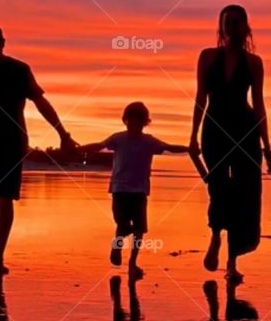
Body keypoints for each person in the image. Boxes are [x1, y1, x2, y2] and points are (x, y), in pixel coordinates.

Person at [0, 23, 76, 272]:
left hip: (8, 143)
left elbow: (41, 102)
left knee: (2, 199)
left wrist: (63, 132)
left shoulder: (18, 69)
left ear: (1, 44)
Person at [188, 5, 271, 285]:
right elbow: (200, 97)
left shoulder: (254, 63)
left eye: (238, 23)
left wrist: (267, 145)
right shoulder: (208, 57)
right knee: (218, 186)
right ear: (221, 28)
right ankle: (215, 235)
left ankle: (232, 262)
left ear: (246, 27)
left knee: (244, 195)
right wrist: (192, 136)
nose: (233, 27)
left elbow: (259, 105)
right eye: (228, 23)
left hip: (245, 131)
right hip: (214, 129)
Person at [81, 100, 192, 280]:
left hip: (139, 191)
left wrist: (189, 149)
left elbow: (169, 147)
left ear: (144, 122)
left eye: (139, 121)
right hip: (119, 189)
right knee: (121, 223)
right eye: (131, 120)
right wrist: (79, 149)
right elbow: (99, 145)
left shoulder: (148, 141)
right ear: (126, 120)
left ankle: (133, 262)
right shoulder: (118, 139)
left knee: (139, 229)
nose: (135, 124)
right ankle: (117, 247)